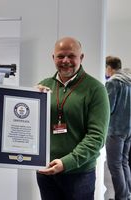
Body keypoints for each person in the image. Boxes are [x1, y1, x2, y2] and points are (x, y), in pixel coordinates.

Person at [36, 37, 110, 200]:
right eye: (61, 56)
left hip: (79, 174)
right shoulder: (43, 86)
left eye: (71, 56)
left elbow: (97, 137)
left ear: (81, 58)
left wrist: (66, 163)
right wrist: (29, 100)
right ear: (53, 57)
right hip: (46, 171)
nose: (66, 61)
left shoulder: (96, 89)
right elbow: (33, 127)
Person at [105, 55, 131, 200]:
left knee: (114, 165)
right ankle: (126, 195)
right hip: (128, 129)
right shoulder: (129, 81)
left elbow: (108, 108)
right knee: (124, 163)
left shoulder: (113, 82)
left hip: (115, 130)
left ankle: (121, 197)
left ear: (109, 67)